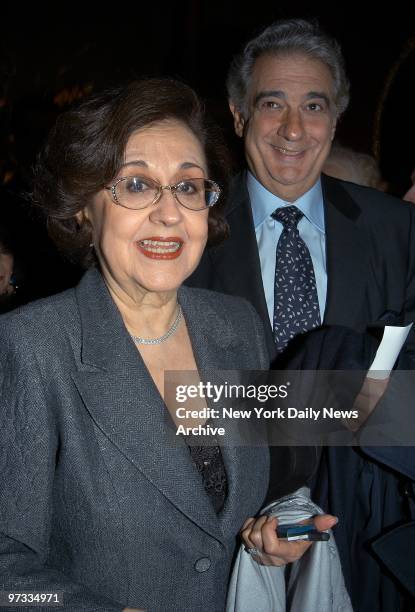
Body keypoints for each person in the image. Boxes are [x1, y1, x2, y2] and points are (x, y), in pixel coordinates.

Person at [0, 79, 336, 612]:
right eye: (135, 185)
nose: (169, 212)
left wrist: (270, 528)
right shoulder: (32, 349)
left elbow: (249, 491)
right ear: (83, 208)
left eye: (187, 186)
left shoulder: (236, 325)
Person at [187, 18, 415, 610]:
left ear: (336, 120)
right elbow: (170, 401)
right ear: (238, 117)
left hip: (367, 539)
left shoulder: (397, 232)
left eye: (313, 105)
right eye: (272, 105)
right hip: (225, 537)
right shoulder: (183, 234)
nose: (293, 129)